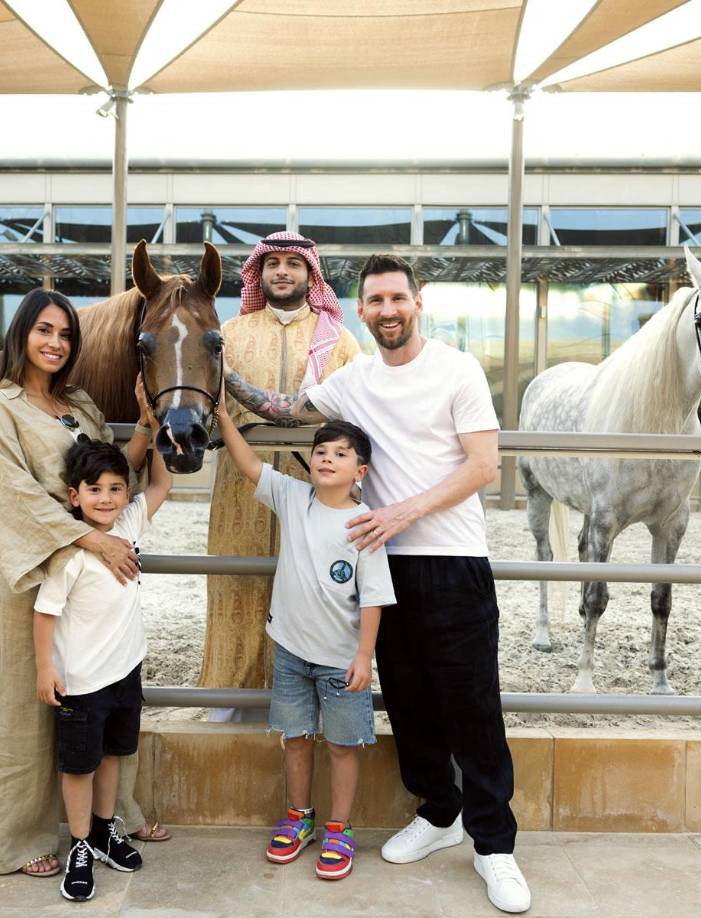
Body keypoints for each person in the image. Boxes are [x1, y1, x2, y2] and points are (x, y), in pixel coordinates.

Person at [224, 254, 531, 913]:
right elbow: (283, 411)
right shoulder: (353, 379)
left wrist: (400, 512)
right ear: (359, 311)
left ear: (417, 303)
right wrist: (213, 375)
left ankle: (494, 846)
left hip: (451, 559)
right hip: (381, 567)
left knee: (471, 703)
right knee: (412, 701)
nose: (388, 310)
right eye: (375, 301)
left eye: (398, 298)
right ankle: (438, 811)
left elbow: (484, 465)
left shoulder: (458, 369)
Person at [0, 289, 166, 879]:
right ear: (22, 335)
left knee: (106, 690)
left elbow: (112, 469)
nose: (55, 343)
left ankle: (110, 819)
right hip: (31, 570)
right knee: (31, 705)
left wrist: (149, 425)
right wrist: (93, 540)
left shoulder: (79, 403)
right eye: (44, 331)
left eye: (65, 335)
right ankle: (22, 837)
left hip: (95, 575)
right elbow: (15, 496)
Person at [216, 405, 395, 880]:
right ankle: (300, 818)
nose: (327, 458)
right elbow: (250, 463)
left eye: (341, 453)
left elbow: (374, 599)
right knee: (295, 739)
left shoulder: (365, 525)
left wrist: (364, 656)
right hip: (291, 653)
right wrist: (222, 417)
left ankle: (340, 826)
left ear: (361, 470)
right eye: (320, 451)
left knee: (341, 746)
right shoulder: (294, 498)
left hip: (341, 660)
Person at [201, 231, 361, 706]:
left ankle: (300, 698)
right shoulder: (229, 335)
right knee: (236, 584)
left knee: (311, 593)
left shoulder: (340, 341)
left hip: (314, 495)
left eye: (294, 263)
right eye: (272, 264)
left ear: (310, 274)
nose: (282, 272)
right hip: (240, 490)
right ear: (259, 274)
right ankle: (227, 701)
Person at [34, 432, 171, 901]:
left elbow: (160, 486)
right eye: (94, 489)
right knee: (79, 765)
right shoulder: (71, 553)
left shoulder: (130, 525)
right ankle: (78, 844)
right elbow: (45, 613)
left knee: (114, 754)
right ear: (74, 496)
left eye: (115, 488)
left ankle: (102, 830)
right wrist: (44, 668)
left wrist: (156, 435)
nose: (107, 498)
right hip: (80, 681)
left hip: (126, 672)